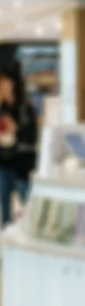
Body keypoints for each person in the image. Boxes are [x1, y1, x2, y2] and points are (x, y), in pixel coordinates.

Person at [0, 66, 38, 225]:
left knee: (28, 206)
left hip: (22, 165)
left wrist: (16, 129)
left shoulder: (25, 108)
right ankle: (7, 230)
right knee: (6, 210)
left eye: (5, 81)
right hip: (3, 163)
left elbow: (32, 137)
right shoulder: (3, 108)